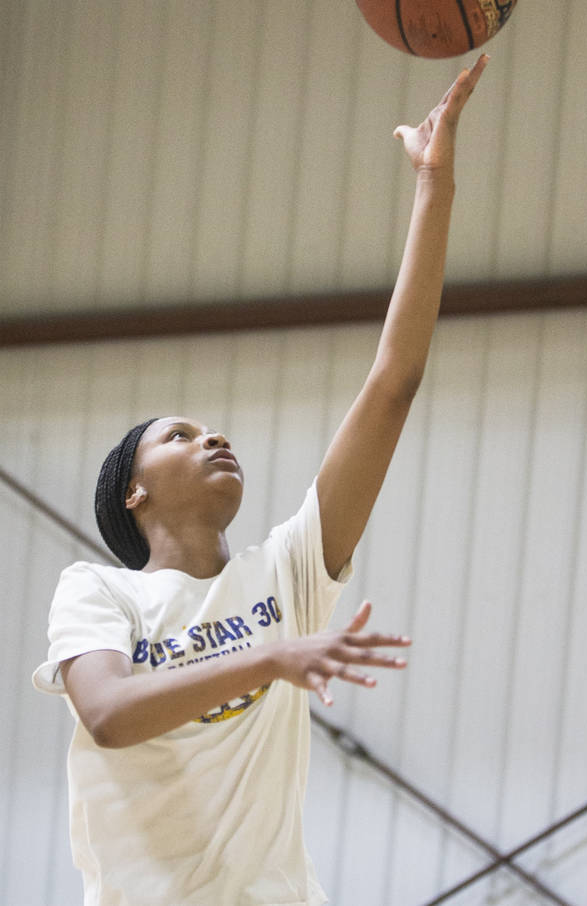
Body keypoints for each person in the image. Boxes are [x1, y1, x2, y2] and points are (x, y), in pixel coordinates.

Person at [33, 53, 490, 906]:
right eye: (179, 435)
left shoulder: (285, 573)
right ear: (134, 491)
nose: (214, 437)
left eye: (212, 428)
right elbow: (108, 713)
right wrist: (272, 655)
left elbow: (393, 382)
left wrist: (434, 187)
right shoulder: (99, 593)